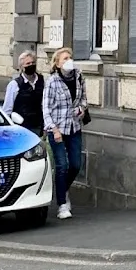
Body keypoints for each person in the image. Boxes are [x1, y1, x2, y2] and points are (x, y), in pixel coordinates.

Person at [42, 47, 87, 220]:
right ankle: (62, 203)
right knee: (62, 165)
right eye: (65, 58)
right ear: (57, 63)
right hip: (57, 128)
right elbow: (46, 108)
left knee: (75, 164)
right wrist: (53, 129)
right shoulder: (52, 81)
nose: (69, 60)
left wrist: (81, 109)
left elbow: (83, 98)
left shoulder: (79, 77)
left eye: (70, 57)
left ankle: (63, 188)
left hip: (74, 126)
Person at [2, 51, 44, 136]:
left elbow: (44, 104)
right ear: (22, 67)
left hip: (37, 125)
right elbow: (7, 108)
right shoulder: (15, 84)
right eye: (28, 63)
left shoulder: (41, 81)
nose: (31, 65)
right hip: (20, 126)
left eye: (33, 63)